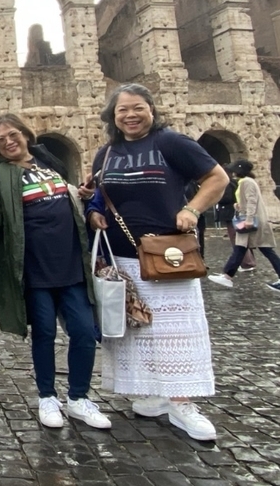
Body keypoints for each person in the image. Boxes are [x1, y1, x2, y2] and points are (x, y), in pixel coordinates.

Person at [87, 83, 227, 441]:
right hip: (122, 256)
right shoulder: (106, 153)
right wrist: (92, 211)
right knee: (137, 330)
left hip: (169, 254)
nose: (130, 116)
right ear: (113, 117)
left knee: (176, 331)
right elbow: (101, 195)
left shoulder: (170, 142)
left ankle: (182, 403)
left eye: (138, 109)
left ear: (151, 110)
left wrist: (192, 209)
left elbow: (217, 177)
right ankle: (152, 394)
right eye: (122, 111)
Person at [0, 113, 110, 430]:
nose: (8, 142)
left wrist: (80, 196)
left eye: (12, 135)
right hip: (34, 265)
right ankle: (47, 397)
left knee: (83, 331)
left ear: (26, 134)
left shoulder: (47, 160)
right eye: (0, 141)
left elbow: (66, 192)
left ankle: (79, 398)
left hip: (71, 261)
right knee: (45, 333)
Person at [208, 160, 280, 291]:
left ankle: (227, 276)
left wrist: (249, 219)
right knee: (241, 248)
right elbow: (247, 201)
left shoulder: (247, 182)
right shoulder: (245, 182)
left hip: (251, 222)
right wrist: (238, 205)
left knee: (263, 250)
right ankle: (227, 276)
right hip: (249, 220)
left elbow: (252, 201)